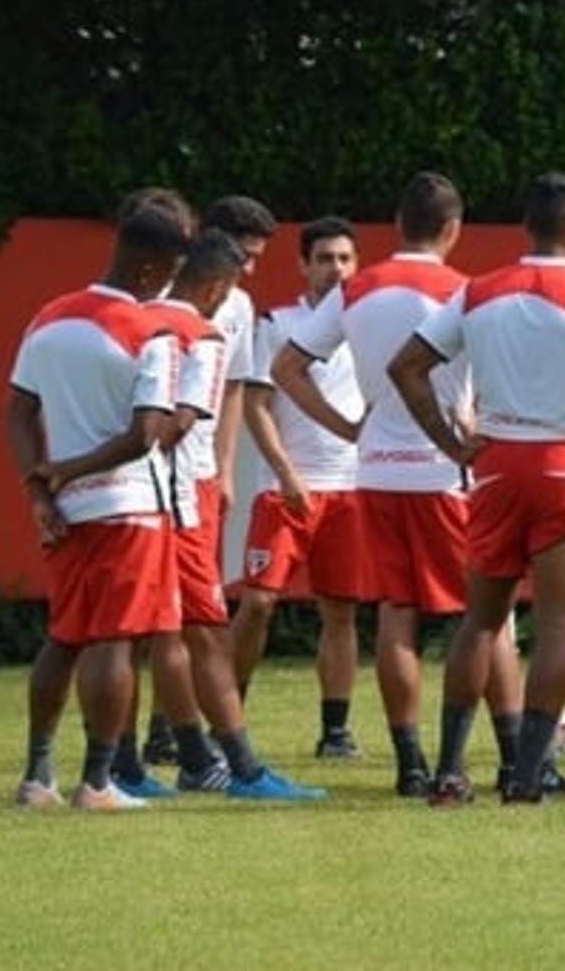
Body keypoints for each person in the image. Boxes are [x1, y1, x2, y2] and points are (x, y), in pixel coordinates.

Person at [393, 172, 565, 805]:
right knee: (557, 623)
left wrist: (451, 444)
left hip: (495, 463)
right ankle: (527, 775)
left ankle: (451, 770)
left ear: (525, 228)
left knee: (481, 621)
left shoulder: (477, 292)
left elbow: (406, 366)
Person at [275, 174, 525, 798]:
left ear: (398, 221)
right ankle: (511, 755)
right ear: (453, 228)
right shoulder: (464, 291)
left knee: (395, 614)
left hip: (378, 471)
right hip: (446, 473)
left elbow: (287, 368)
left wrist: (351, 425)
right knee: (486, 617)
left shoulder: (357, 288)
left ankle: (410, 763)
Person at [5, 201, 190, 811]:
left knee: (64, 636)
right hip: (130, 507)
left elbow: (19, 410)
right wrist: (71, 468)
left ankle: (37, 778)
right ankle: (99, 782)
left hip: (69, 510)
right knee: (117, 641)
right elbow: (146, 435)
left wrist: (42, 490)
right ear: (146, 269)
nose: (167, 285)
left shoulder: (49, 318)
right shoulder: (151, 333)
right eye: (166, 272)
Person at [139, 232, 323, 801]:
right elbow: (173, 426)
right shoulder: (205, 335)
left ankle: (130, 762)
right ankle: (235, 766)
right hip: (177, 493)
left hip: (123, 496)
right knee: (202, 629)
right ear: (216, 284)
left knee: (134, 632)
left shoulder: (126, 321)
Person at [141, 193, 276, 764]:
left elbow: (235, 386)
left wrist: (225, 468)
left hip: (194, 472)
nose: (248, 269)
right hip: (163, 468)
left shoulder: (238, 308)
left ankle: (173, 741)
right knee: (184, 613)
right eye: (242, 256)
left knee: (182, 610)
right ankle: (196, 745)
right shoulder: (161, 299)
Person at [236, 216, 372, 758]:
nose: (335, 269)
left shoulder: (368, 324)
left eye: (344, 258)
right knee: (258, 603)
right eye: (324, 259)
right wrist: (286, 471)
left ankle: (335, 732)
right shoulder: (276, 322)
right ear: (303, 265)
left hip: (350, 490)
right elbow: (256, 406)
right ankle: (229, 722)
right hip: (285, 489)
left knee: (341, 611)